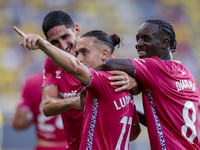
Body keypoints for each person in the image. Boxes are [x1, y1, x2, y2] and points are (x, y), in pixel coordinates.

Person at [13, 26, 141, 149]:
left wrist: (43, 44)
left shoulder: (102, 82)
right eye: (78, 53)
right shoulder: (123, 83)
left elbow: (74, 67)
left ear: (104, 54)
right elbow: (135, 132)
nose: (79, 58)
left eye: (84, 52)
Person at [93, 19, 199, 150]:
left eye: (145, 39)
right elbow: (168, 121)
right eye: (138, 39)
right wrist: (129, 109)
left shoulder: (156, 66)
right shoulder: (187, 74)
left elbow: (106, 65)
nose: (138, 44)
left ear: (164, 43)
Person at [12, 71, 68, 150]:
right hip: (72, 146)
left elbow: (18, 123)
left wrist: (33, 115)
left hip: (44, 145)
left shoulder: (31, 82)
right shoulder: (77, 79)